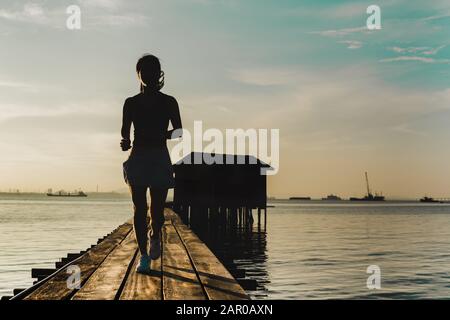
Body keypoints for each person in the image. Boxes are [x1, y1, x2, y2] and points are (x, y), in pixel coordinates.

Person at [121, 54, 182, 274]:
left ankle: (155, 234)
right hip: (138, 156)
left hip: (158, 155)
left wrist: (161, 134)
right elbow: (124, 132)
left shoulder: (169, 102)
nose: (148, 74)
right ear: (138, 74)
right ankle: (144, 256)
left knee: (157, 210)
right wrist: (125, 142)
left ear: (159, 74)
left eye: (152, 70)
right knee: (139, 208)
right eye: (143, 71)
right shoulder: (130, 103)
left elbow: (179, 131)